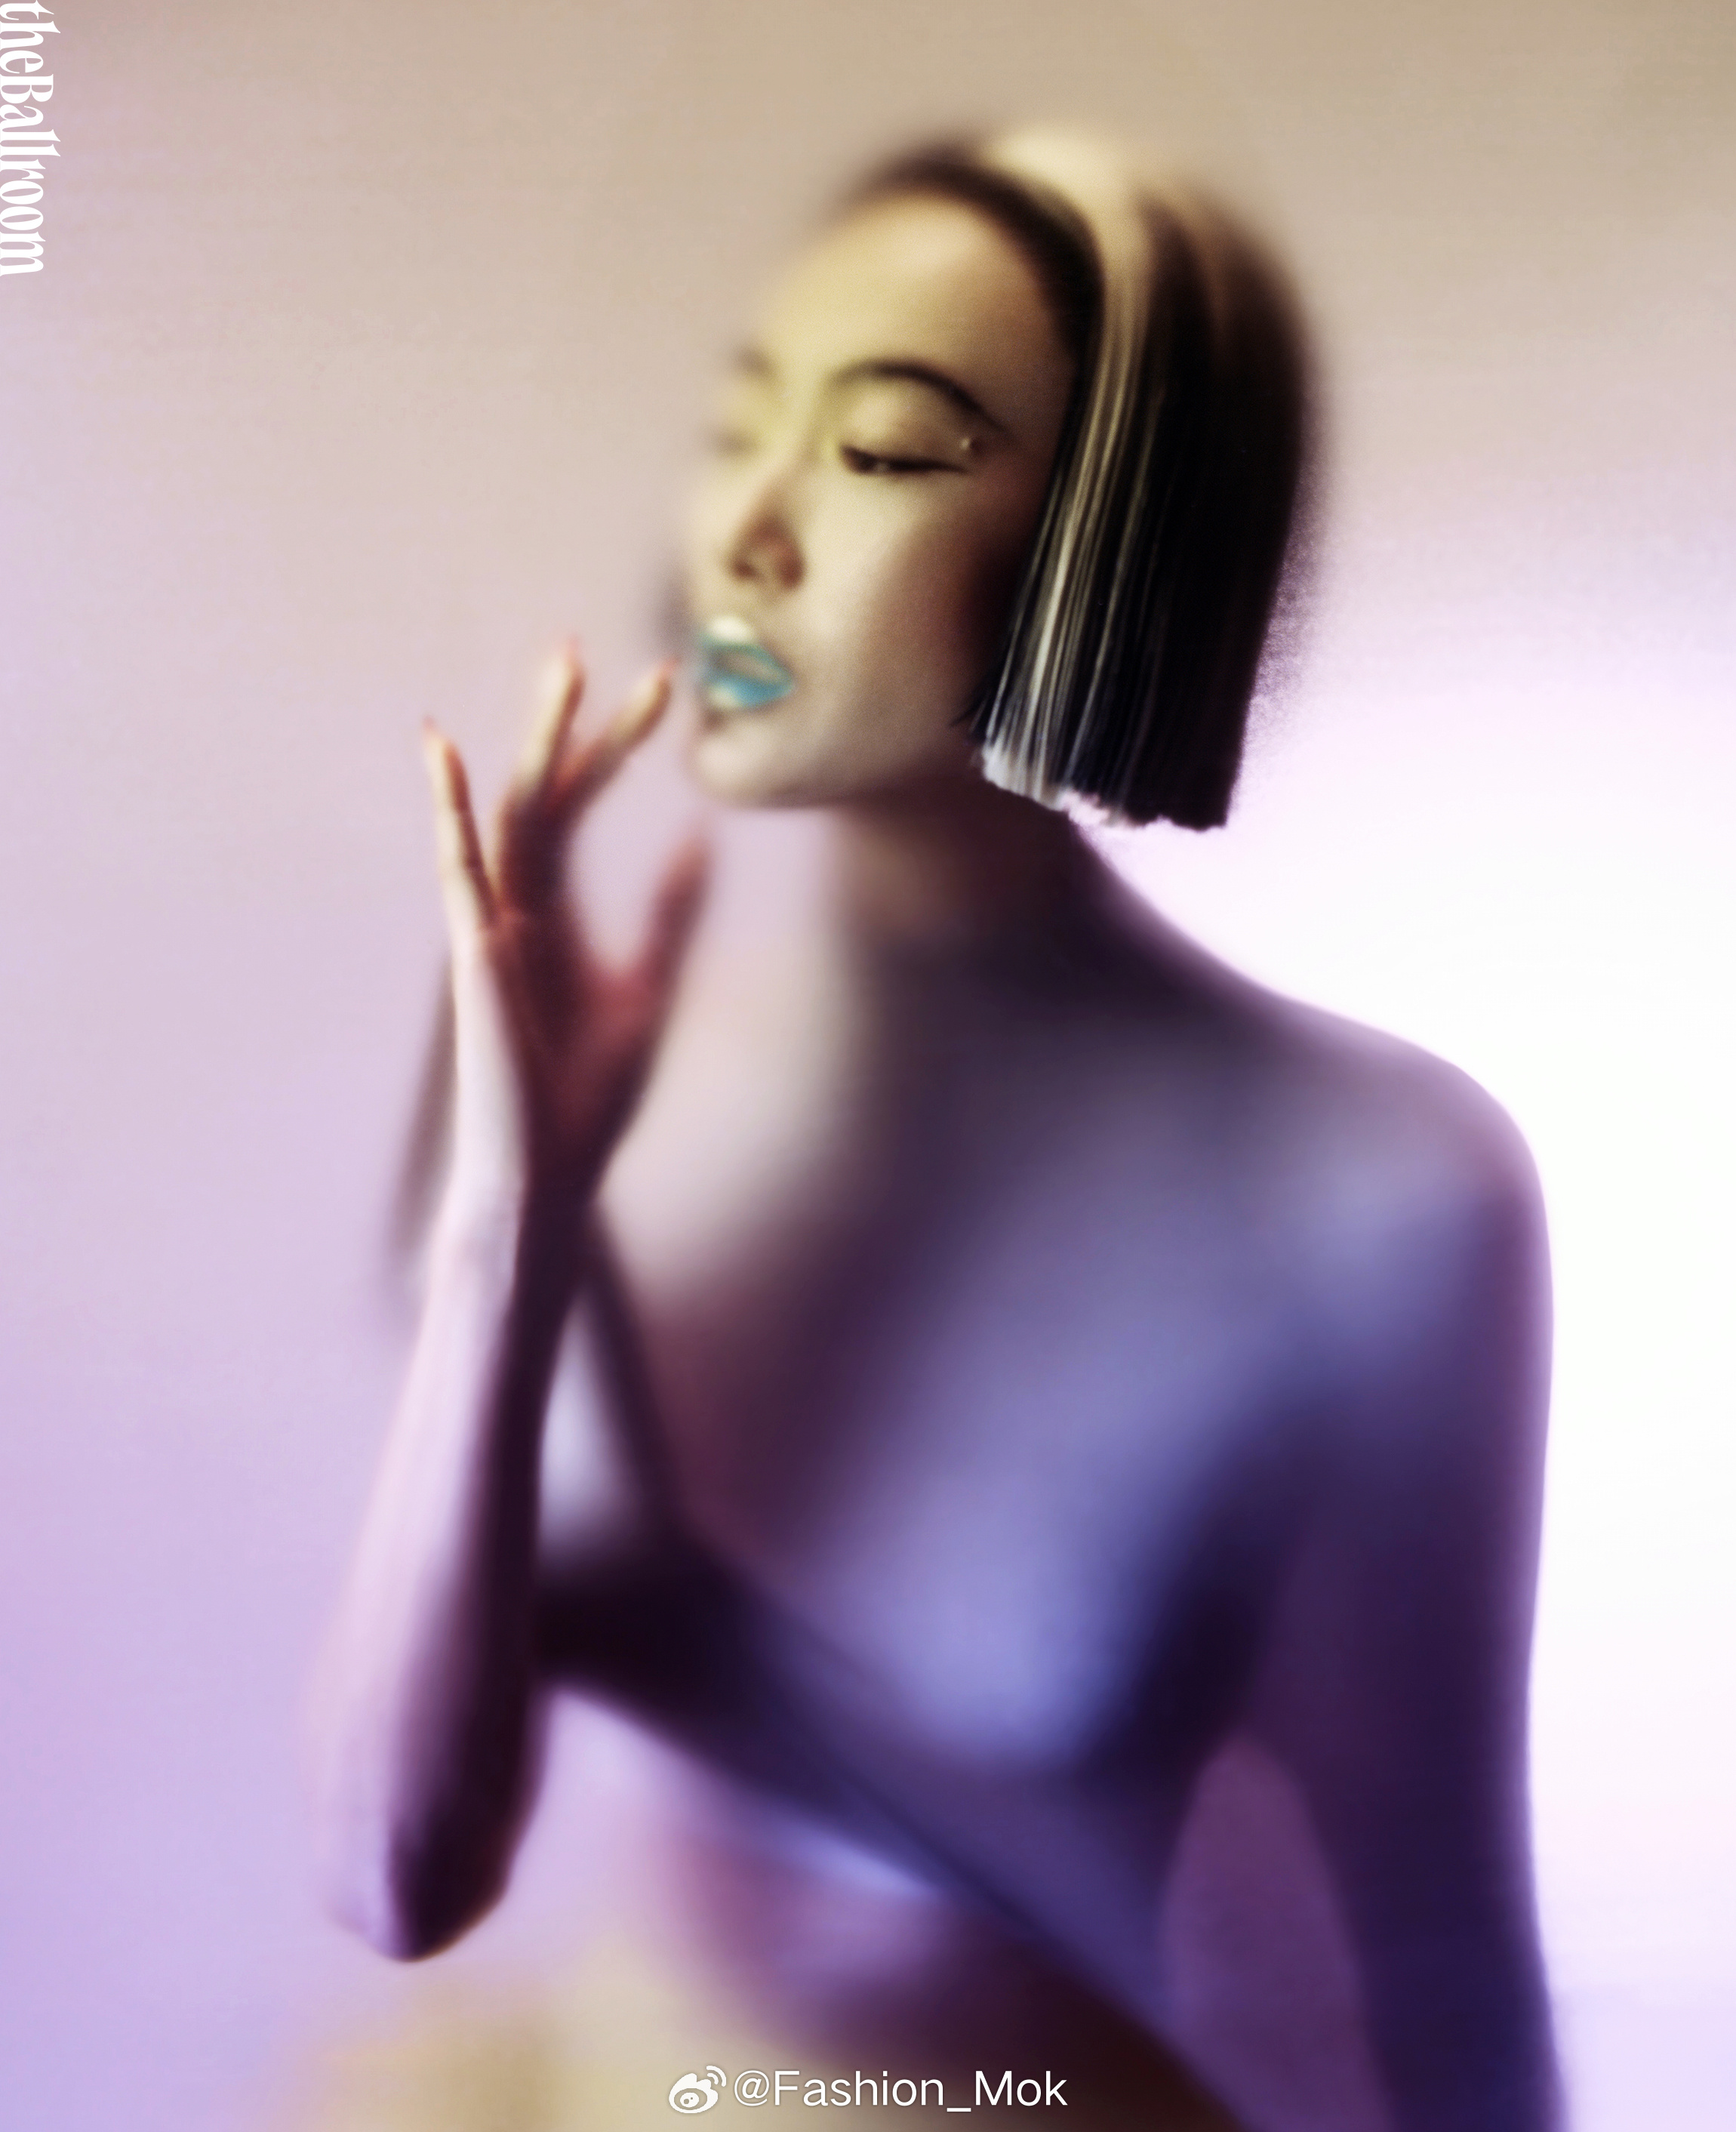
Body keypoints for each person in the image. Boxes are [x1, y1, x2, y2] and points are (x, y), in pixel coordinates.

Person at [309, 128, 1559, 2130]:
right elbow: (395, 1876)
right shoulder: (587, 1076)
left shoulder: (1375, 1193)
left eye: (883, 451)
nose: (747, 532)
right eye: (742, 427)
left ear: (1109, 546)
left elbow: (1433, 1963)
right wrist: (510, 1224)